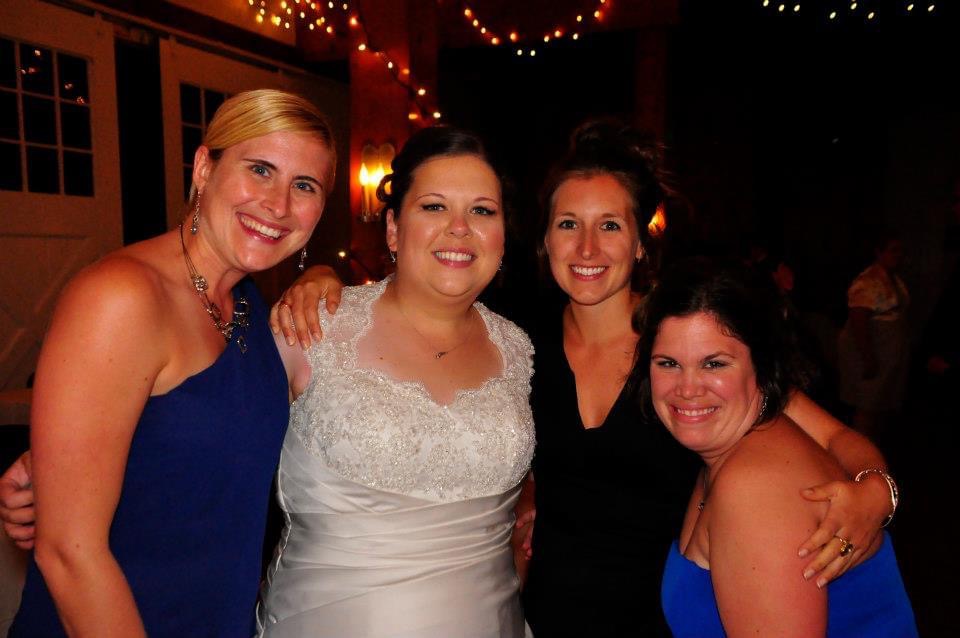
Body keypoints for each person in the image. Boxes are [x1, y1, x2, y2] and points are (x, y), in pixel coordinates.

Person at [270, 121, 897, 636]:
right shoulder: (517, 343)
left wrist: (876, 492)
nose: (588, 247)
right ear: (543, 240)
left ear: (641, 243)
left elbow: (835, 439)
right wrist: (320, 273)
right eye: (568, 224)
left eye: (611, 225)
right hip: (542, 618)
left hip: (659, 623)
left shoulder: (680, 347)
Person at [8, 89, 337, 636]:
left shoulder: (250, 306)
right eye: (259, 169)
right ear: (205, 167)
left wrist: (321, 273)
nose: (278, 205)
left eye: (304, 186)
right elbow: (68, 553)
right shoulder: (121, 296)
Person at [256, 126, 535, 636]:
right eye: (433, 207)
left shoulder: (520, 349)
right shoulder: (311, 327)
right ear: (392, 228)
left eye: (482, 211)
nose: (459, 228)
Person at [644, 258, 917, 637]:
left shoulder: (754, 486)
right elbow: (840, 437)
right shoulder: (742, 434)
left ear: (761, 365)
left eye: (714, 364)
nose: (687, 389)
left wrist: (878, 491)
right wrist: (877, 489)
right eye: (669, 363)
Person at [837, 232, 911, 435]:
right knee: (868, 404)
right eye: (893, 250)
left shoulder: (893, 279)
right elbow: (859, 321)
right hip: (875, 349)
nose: (898, 255)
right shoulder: (868, 281)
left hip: (890, 352)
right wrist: (868, 357)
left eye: (900, 251)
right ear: (879, 252)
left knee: (881, 404)